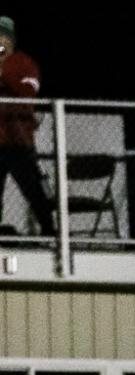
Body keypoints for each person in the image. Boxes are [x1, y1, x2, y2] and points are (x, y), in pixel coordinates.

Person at [0, 17, 53, 236]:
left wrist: (3, 73)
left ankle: (50, 232)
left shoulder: (25, 64)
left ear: (11, 40)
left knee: (33, 190)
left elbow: (28, 94)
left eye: (2, 36)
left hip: (18, 141)